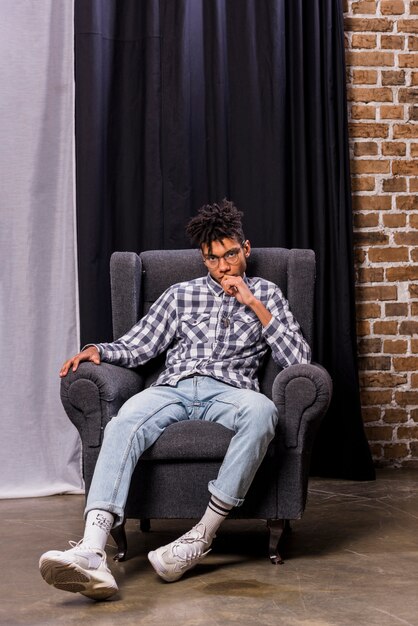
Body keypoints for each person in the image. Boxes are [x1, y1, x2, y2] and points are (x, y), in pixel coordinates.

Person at [39, 199, 311, 600]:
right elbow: (139, 346)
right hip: (174, 388)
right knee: (123, 420)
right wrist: (100, 350)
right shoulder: (180, 294)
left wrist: (252, 302)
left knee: (264, 412)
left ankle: (200, 538)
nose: (223, 267)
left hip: (231, 393)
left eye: (230, 255)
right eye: (213, 259)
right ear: (204, 260)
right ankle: (93, 549)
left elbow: (298, 362)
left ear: (245, 249)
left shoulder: (268, 294)